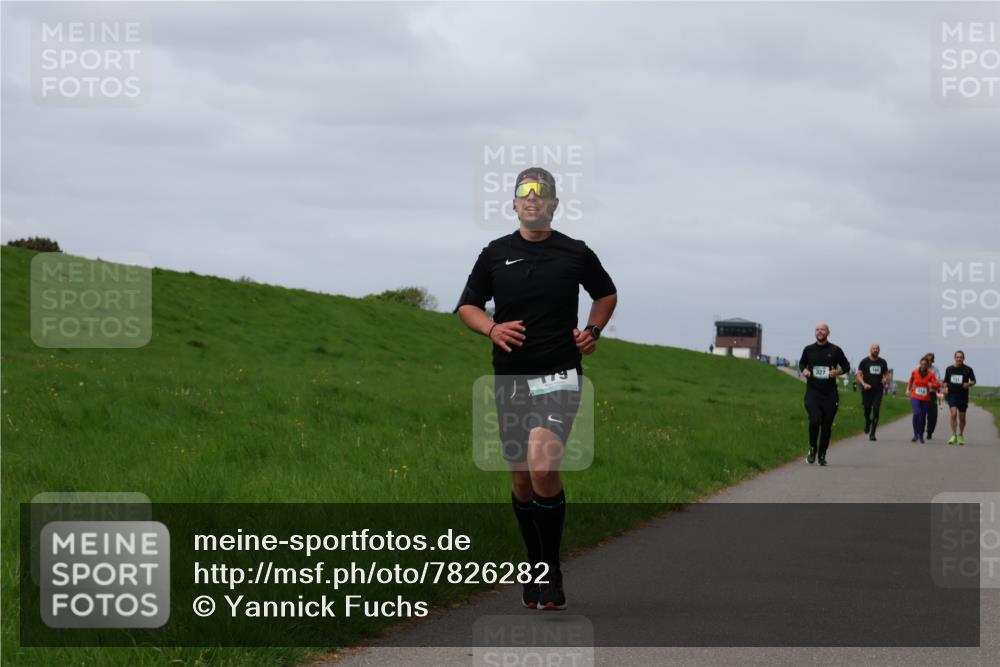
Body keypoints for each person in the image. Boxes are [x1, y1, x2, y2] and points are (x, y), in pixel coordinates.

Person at [455, 167, 617, 611]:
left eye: (541, 193)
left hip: (559, 375)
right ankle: (535, 565)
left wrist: (593, 331)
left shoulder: (575, 253)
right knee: (521, 478)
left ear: (554, 204)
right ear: (513, 203)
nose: (532, 199)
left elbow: (606, 294)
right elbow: (467, 305)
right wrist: (491, 329)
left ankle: (553, 569)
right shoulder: (494, 253)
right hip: (509, 379)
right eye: (524, 192)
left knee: (543, 465)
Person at [798, 323, 851, 466]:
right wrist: (804, 371)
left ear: (828, 332)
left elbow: (846, 366)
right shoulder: (808, 350)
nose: (819, 331)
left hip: (830, 395)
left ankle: (822, 454)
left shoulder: (835, 350)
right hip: (813, 393)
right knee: (814, 421)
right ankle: (812, 449)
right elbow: (802, 364)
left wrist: (837, 372)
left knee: (826, 426)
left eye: (822, 329)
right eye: (817, 329)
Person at [856, 343, 889, 441]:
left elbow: (887, 373)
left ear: (879, 350)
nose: (875, 350)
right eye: (873, 348)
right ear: (870, 350)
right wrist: (863, 383)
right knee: (867, 410)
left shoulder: (882, 362)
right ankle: (867, 422)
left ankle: (873, 433)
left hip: (878, 390)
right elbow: (858, 374)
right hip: (867, 390)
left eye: (877, 348)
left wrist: (885, 379)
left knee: (876, 410)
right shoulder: (864, 361)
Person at [942, 350, 977, 445]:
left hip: (963, 396)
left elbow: (974, 381)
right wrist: (944, 387)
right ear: (955, 358)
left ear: (963, 358)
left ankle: (960, 434)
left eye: (961, 357)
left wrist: (969, 384)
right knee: (953, 414)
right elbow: (945, 381)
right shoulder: (949, 369)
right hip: (952, 395)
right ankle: (953, 435)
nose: (959, 359)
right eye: (957, 357)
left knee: (962, 418)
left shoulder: (968, 369)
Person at [906, 358, 940, 443]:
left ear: (928, 365)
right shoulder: (915, 372)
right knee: (916, 414)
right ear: (920, 364)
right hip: (915, 396)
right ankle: (915, 434)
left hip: (925, 398)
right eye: (922, 364)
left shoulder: (931, 374)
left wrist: (931, 384)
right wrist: (908, 390)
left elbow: (936, 385)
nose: (924, 365)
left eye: (925, 364)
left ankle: (921, 435)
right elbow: (910, 381)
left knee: (923, 416)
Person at [923, 353, 943, 440]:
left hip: (932, 394)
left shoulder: (935, 370)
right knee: (921, 414)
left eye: (931, 360)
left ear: (933, 360)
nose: (929, 361)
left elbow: (938, 381)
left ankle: (930, 431)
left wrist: (933, 384)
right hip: (921, 393)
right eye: (927, 359)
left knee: (933, 414)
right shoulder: (919, 368)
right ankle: (919, 430)